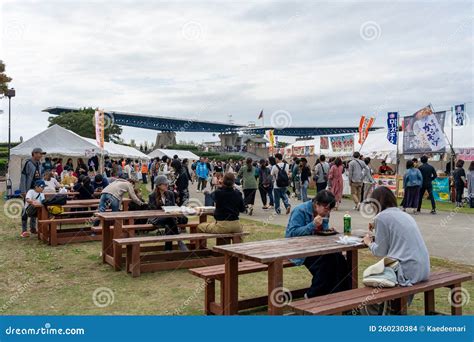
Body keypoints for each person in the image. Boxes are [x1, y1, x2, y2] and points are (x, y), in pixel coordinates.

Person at [362, 186, 430, 314]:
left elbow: (380, 251)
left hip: (406, 271)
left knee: (368, 278)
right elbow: (395, 237)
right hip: (422, 268)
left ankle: (387, 314)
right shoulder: (404, 215)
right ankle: (396, 311)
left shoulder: (381, 217)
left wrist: (369, 242)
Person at [286, 190, 351, 298]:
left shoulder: (324, 213)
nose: (328, 212)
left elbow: (323, 232)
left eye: (330, 209)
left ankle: (344, 296)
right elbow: (292, 234)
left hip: (317, 247)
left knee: (340, 260)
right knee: (327, 264)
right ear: (317, 204)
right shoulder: (300, 211)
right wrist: (312, 225)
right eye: (326, 209)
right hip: (299, 249)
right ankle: (312, 294)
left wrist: (329, 231)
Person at [148, 175, 188, 251]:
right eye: (165, 184)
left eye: (167, 184)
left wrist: (168, 208)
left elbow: (173, 207)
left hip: (170, 218)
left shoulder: (170, 194)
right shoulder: (152, 195)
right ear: (159, 185)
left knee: (169, 224)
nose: (167, 186)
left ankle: (168, 249)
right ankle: (179, 240)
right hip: (157, 219)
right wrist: (162, 208)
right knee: (170, 220)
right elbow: (152, 209)